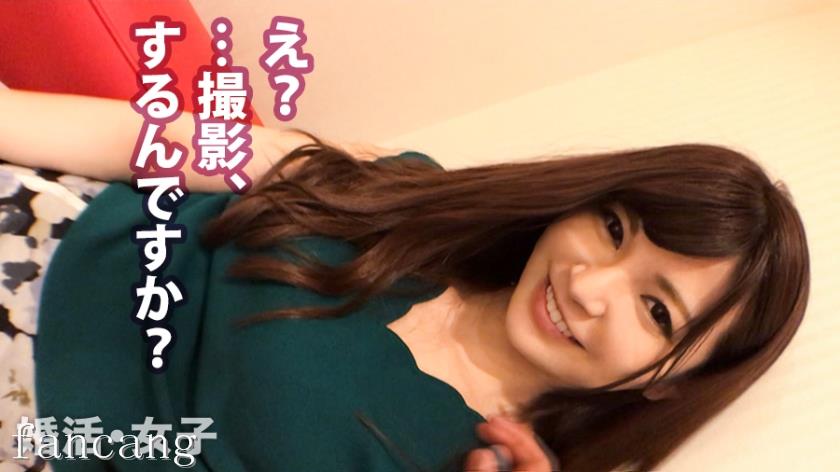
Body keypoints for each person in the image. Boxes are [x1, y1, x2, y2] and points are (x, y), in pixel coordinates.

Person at [0, 88, 810, 471]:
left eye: (657, 311)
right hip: (41, 227)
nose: (589, 286)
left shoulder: (478, 464)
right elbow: (158, 142)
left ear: (674, 380)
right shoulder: (414, 192)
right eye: (613, 228)